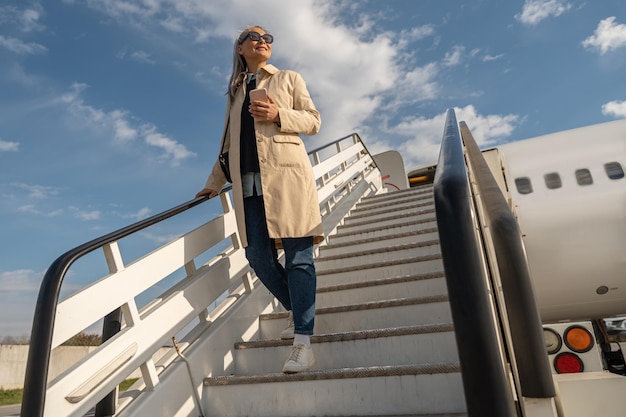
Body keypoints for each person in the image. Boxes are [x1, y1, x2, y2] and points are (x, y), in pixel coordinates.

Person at [195, 26, 324, 373]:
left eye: (268, 37)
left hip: (287, 176)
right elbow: (226, 146)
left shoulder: (287, 78)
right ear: (239, 48)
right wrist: (213, 182)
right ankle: (300, 312)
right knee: (257, 257)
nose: (263, 41)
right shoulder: (235, 93)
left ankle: (302, 341)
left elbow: (314, 121)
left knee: (299, 257)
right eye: (254, 36)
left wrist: (278, 115)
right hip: (247, 186)